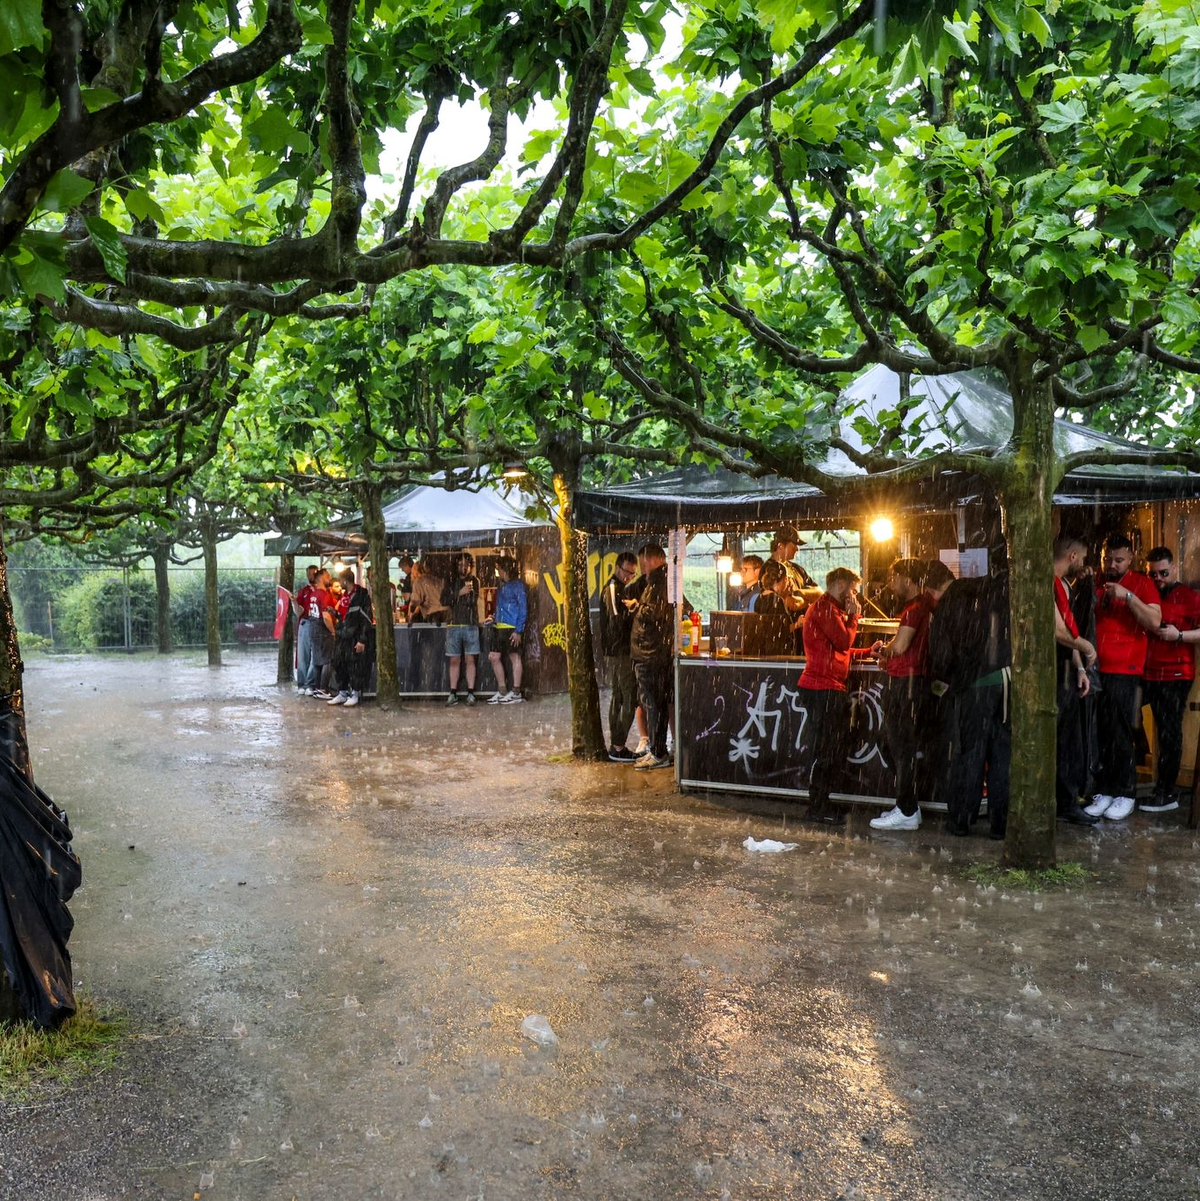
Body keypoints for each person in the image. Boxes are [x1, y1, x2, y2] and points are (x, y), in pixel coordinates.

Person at [928, 570, 1012, 838]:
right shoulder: (995, 590)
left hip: (973, 684)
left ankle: (961, 819)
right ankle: (1001, 824)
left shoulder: (952, 600)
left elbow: (942, 653)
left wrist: (942, 682)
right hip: (1007, 679)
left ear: (934, 588)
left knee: (970, 752)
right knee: (1003, 755)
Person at [1085, 534, 1161, 821]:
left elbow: (1154, 622)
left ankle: (1126, 792)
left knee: (1120, 731)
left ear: (1131, 559)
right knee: (1101, 731)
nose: (1112, 565)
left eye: (1118, 560)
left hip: (1126, 669)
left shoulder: (1143, 583)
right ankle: (1104, 789)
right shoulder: (1096, 582)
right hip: (1097, 668)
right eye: (1108, 559)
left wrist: (1128, 597)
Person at [870, 559, 935, 832]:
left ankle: (907, 808)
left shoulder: (915, 608)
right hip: (909, 681)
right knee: (894, 744)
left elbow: (901, 644)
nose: (890, 582)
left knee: (899, 746)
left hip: (905, 683)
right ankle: (909, 805)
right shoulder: (924, 604)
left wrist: (883, 650)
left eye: (893, 576)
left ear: (907, 579)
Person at [798, 567, 863, 826]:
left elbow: (840, 649)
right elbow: (843, 641)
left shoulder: (831, 610)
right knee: (825, 749)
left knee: (831, 749)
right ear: (839, 584)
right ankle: (817, 806)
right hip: (821, 687)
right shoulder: (825, 608)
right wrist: (854, 617)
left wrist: (869, 650)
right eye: (854, 590)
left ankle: (823, 801)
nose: (855, 597)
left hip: (828, 686)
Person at [1142, 546, 1200, 812]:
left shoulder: (1188, 596)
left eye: (1163, 573)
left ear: (1174, 568)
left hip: (1177, 672)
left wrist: (1179, 636)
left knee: (1169, 731)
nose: (1159, 579)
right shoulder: (1148, 591)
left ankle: (1167, 792)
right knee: (1125, 720)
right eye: (1153, 574)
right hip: (1148, 672)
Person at [1052, 536, 1099, 825]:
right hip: (1053, 671)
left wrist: (1080, 668)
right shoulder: (1048, 582)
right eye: (1081, 559)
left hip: (1067, 670)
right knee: (1059, 740)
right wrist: (1087, 647)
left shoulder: (1065, 586)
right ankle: (1063, 801)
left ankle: (1067, 801)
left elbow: (1068, 628)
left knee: (1069, 741)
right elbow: (1057, 631)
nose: (1082, 565)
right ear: (1072, 556)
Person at [629, 543, 674, 770]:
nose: (641, 567)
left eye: (643, 562)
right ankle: (657, 750)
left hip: (651, 653)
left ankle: (658, 752)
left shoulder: (659, 583)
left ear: (655, 559)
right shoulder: (658, 582)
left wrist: (637, 607)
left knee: (653, 704)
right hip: (651, 652)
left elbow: (656, 614)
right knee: (654, 704)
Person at [600, 551, 639, 760]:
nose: (629, 576)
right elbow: (617, 620)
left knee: (619, 697)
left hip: (617, 651)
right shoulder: (613, 588)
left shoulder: (621, 588)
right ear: (617, 567)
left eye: (633, 574)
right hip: (619, 652)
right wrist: (633, 609)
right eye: (627, 572)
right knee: (628, 697)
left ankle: (617, 745)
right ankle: (617, 745)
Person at [327, 569, 375, 708]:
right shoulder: (345, 596)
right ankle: (342, 692)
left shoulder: (361, 595)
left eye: (340, 580)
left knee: (355, 665)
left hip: (354, 636)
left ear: (344, 581)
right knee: (339, 663)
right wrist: (335, 613)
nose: (339, 583)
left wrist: (362, 640)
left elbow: (366, 619)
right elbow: (345, 616)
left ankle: (355, 693)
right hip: (342, 636)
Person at [487, 557, 527, 704]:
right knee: (494, 656)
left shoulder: (518, 586)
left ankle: (516, 692)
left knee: (515, 657)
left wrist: (518, 630)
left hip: (511, 627)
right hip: (499, 626)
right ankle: (502, 690)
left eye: (499, 570)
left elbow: (523, 608)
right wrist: (494, 617)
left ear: (505, 570)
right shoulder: (502, 586)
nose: (498, 573)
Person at [445, 552, 481, 706]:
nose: (463, 568)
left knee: (470, 659)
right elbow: (445, 600)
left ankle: (471, 693)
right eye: (460, 565)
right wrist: (459, 593)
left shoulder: (474, 581)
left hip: (470, 624)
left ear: (470, 567)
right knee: (454, 660)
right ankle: (452, 693)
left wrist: (465, 595)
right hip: (453, 625)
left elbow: (473, 601)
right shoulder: (450, 581)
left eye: (466, 565)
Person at [755, 561, 804, 654]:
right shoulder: (775, 601)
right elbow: (778, 630)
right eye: (787, 579)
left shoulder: (760, 598)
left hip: (764, 652)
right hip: (777, 654)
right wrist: (798, 624)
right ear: (784, 579)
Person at [770, 526, 815, 615]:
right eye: (794, 544)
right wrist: (807, 599)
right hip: (784, 626)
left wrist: (798, 593)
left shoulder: (797, 569)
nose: (797, 548)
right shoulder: (768, 570)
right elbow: (790, 603)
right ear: (780, 546)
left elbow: (819, 593)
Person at [308, 567, 338, 699]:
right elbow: (326, 616)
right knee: (327, 660)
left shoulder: (313, 595)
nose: (330, 578)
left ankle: (316, 687)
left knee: (317, 660)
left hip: (313, 628)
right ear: (321, 578)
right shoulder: (324, 595)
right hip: (323, 629)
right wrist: (332, 631)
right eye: (327, 576)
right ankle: (323, 689)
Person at [293, 564, 319, 694]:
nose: (311, 576)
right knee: (303, 655)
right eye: (309, 573)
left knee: (315, 656)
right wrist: (294, 602)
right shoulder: (303, 591)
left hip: (317, 624)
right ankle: (302, 684)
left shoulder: (322, 591)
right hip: (305, 623)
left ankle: (310, 684)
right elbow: (298, 611)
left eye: (314, 573)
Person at [408, 559, 449, 625]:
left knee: (434, 634)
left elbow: (415, 601)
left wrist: (411, 612)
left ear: (414, 571)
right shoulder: (436, 579)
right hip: (447, 612)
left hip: (434, 614)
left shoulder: (418, 581)